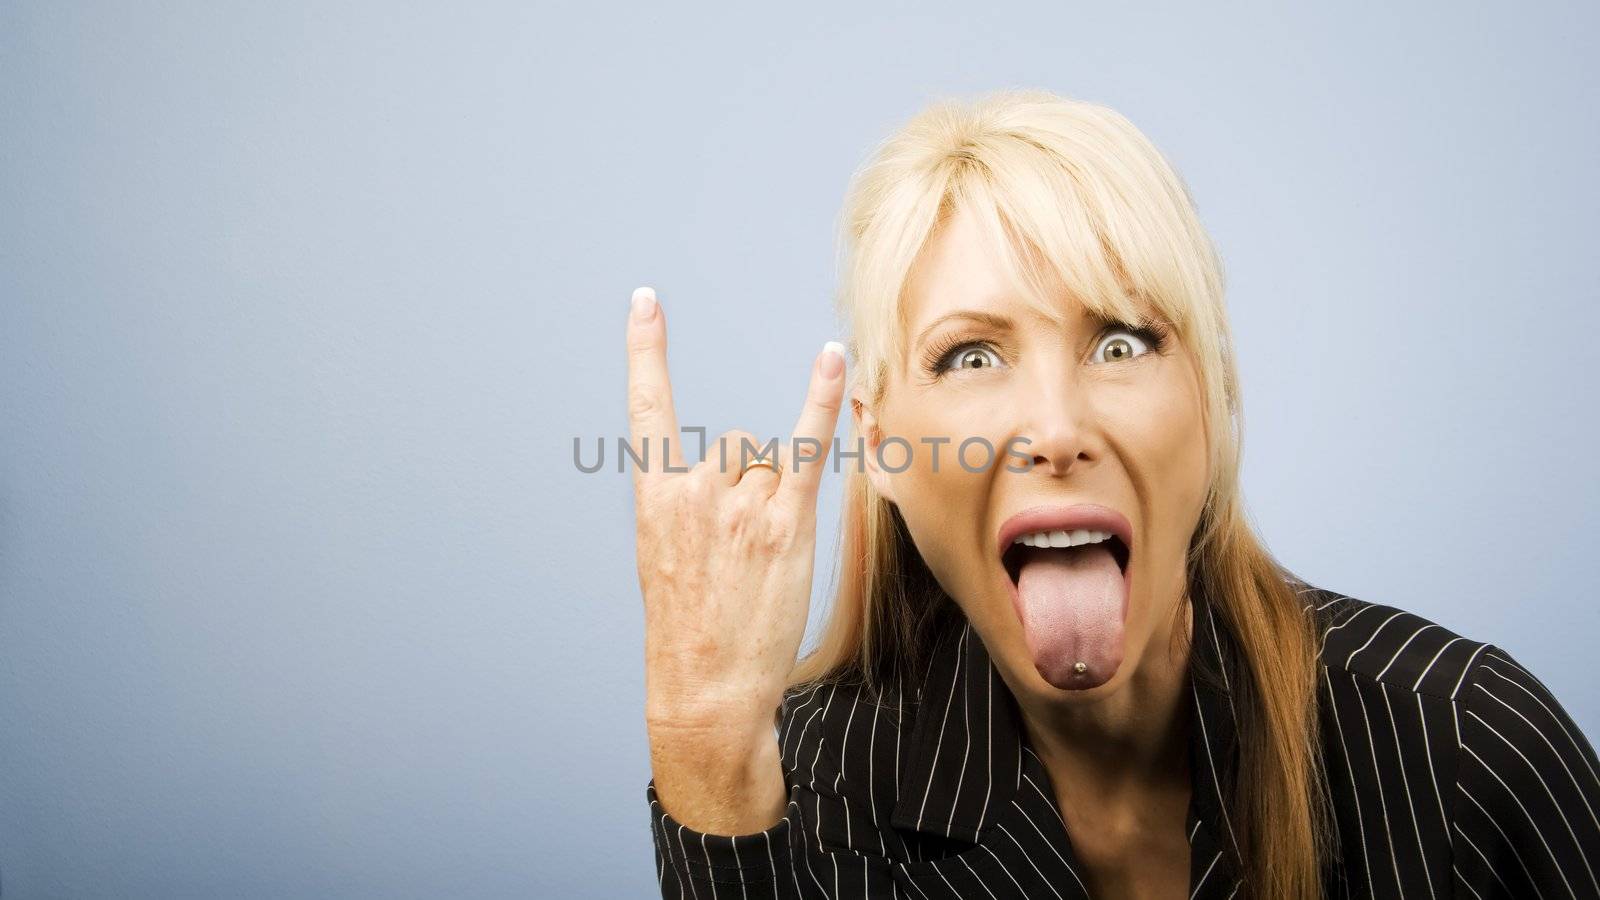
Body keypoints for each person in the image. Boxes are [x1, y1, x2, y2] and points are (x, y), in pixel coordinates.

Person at [627, 89, 1600, 899]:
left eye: (1121, 343)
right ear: (878, 447)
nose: (1055, 431)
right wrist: (701, 740)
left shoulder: (1465, 745)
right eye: (971, 355)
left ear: (1215, 398)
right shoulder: (807, 792)